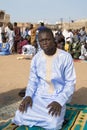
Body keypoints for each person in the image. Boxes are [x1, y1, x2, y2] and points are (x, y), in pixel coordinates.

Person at [10, 28, 76, 130]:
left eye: (47, 39)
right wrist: (28, 96)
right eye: (41, 41)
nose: (44, 43)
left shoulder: (65, 57)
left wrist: (59, 101)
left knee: (53, 124)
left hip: (58, 96)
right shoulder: (37, 58)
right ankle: (49, 118)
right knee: (19, 115)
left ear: (54, 40)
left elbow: (70, 83)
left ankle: (56, 117)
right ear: (38, 43)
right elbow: (33, 80)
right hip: (39, 95)